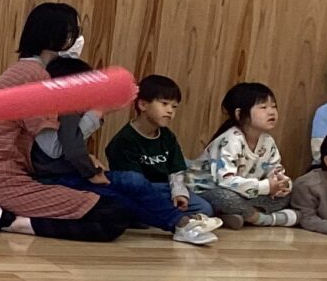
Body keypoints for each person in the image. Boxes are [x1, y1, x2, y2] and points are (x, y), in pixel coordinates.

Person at [0, 2, 134, 241]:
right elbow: (54, 149)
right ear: (58, 35)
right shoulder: (34, 77)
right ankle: (14, 222)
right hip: (3, 185)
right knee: (114, 214)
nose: (76, 39)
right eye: (73, 32)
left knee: (113, 204)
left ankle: (1, 215)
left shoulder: (23, 71)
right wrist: (98, 111)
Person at [28, 60, 218, 245]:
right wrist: (91, 170)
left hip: (74, 174)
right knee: (122, 197)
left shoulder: (69, 110)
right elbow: (66, 149)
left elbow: (72, 146)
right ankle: (180, 223)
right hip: (60, 178)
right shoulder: (59, 110)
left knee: (135, 182)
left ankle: (181, 223)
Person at [104, 74, 217, 224]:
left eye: (174, 107)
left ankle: (172, 217)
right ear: (143, 105)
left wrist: (179, 193)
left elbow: (176, 170)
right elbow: (133, 184)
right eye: (164, 104)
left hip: (166, 190)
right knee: (132, 205)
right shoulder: (124, 140)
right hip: (142, 192)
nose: (170, 111)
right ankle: (177, 219)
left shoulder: (167, 136)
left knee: (204, 208)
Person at [193, 83, 298, 228]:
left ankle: (235, 215)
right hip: (209, 190)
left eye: (273, 106)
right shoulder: (231, 140)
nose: (271, 112)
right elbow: (225, 181)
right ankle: (261, 219)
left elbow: (275, 171)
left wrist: (282, 184)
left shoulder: (268, 141)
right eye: (263, 107)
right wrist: (265, 186)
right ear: (239, 114)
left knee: (290, 194)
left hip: (245, 192)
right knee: (226, 197)